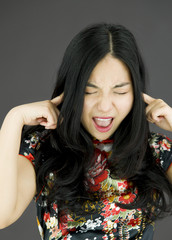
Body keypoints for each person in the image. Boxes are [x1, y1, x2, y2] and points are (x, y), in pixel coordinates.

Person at [0, 23, 172, 240]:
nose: (104, 106)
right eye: (90, 91)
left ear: (136, 94)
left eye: (120, 91)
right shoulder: (42, 147)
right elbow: (2, 214)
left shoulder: (155, 150)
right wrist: (13, 119)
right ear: (71, 90)